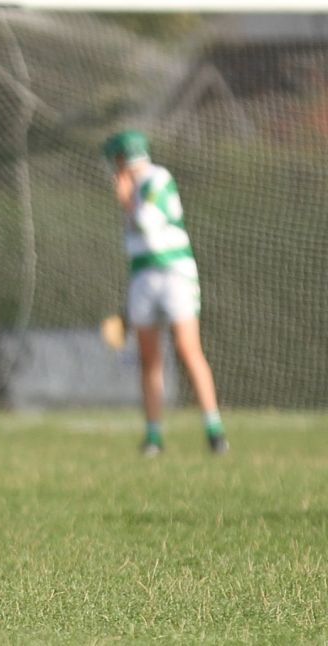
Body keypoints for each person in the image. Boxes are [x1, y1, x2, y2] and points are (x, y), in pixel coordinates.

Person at [102, 130, 227, 457]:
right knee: (149, 358)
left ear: (122, 159)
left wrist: (127, 197)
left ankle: (214, 431)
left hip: (175, 275)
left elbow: (149, 221)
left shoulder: (156, 178)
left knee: (188, 350)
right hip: (143, 277)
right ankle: (153, 436)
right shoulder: (133, 185)